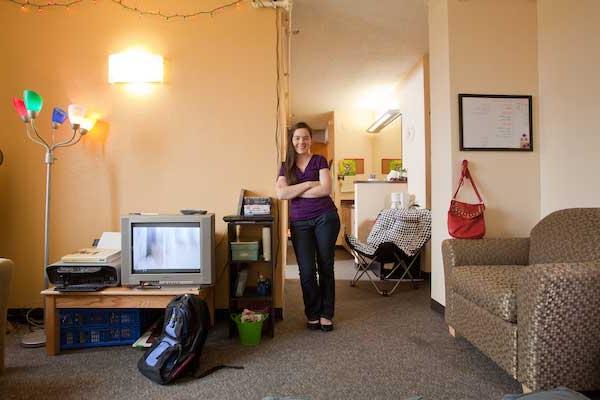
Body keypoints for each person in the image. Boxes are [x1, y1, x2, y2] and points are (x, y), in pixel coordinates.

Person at [276, 122, 340, 332]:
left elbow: (326, 189)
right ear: (292, 141)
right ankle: (313, 312)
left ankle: (326, 314)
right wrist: (308, 184)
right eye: (297, 138)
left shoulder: (320, 160)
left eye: (305, 138)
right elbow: (281, 194)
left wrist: (295, 190)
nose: (301, 142)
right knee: (306, 270)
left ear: (311, 140)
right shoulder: (286, 166)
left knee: (325, 266)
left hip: (325, 218)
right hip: (300, 222)